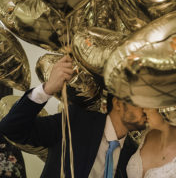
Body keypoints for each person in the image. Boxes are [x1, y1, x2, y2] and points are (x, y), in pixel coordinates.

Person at [0, 56, 147, 178]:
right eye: (143, 100)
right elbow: (12, 128)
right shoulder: (75, 122)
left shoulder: (135, 155)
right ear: (118, 103)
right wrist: (47, 89)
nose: (149, 107)